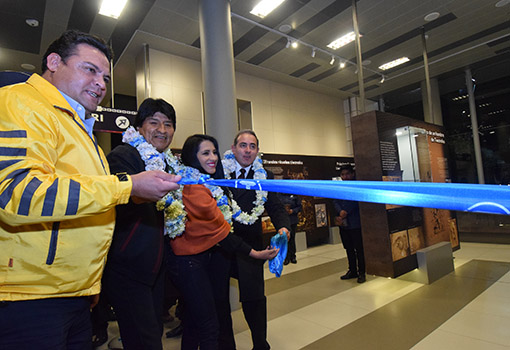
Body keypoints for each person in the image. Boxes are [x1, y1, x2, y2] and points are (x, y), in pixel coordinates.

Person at [0, 30, 180, 350]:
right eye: (90, 69)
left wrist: (89, 282)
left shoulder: (77, 124)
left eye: (106, 77)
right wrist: (127, 186)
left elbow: (83, 200)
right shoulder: (22, 102)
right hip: (29, 298)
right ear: (54, 62)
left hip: (74, 293)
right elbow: (18, 194)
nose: (101, 83)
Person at [166, 134, 278, 350]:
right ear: (233, 148)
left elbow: (274, 206)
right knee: (209, 325)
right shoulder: (197, 184)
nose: (213, 158)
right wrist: (254, 253)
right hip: (198, 260)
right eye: (205, 153)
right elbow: (220, 229)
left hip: (219, 254)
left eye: (214, 152)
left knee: (198, 321)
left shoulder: (210, 181)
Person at [101, 97, 177, 350]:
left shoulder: (168, 162)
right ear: (139, 127)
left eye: (168, 124)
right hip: (128, 267)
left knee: (152, 332)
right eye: (154, 122)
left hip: (155, 268)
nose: (162, 130)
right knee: (143, 340)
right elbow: (113, 200)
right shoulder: (123, 155)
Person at [210, 130, 290, 350]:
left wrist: (284, 227)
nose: (247, 150)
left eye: (252, 146)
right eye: (243, 145)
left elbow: (274, 205)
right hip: (221, 243)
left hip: (251, 246)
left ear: (257, 150)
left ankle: (260, 344)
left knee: (254, 299)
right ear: (233, 148)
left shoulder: (265, 176)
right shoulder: (218, 172)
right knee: (219, 301)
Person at [333, 164, 366, 284]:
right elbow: (335, 200)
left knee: (359, 249)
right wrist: (340, 211)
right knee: (348, 248)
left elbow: (357, 201)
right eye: (342, 175)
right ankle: (352, 270)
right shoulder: (339, 186)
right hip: (343, 223)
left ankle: (362, 272)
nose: (345, 176)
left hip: (355, 222)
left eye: (347, 174)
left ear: (352, 174)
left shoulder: (357, 185)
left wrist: (346, 211)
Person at [278, 192, 302, 265]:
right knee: (284, 239)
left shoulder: (294, 195)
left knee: (292, 238)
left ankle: (293, 256)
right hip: (283, 220)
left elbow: (299, 207)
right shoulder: (279, 195)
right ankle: (286, 257)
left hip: (293, 219)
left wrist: (292, 211)